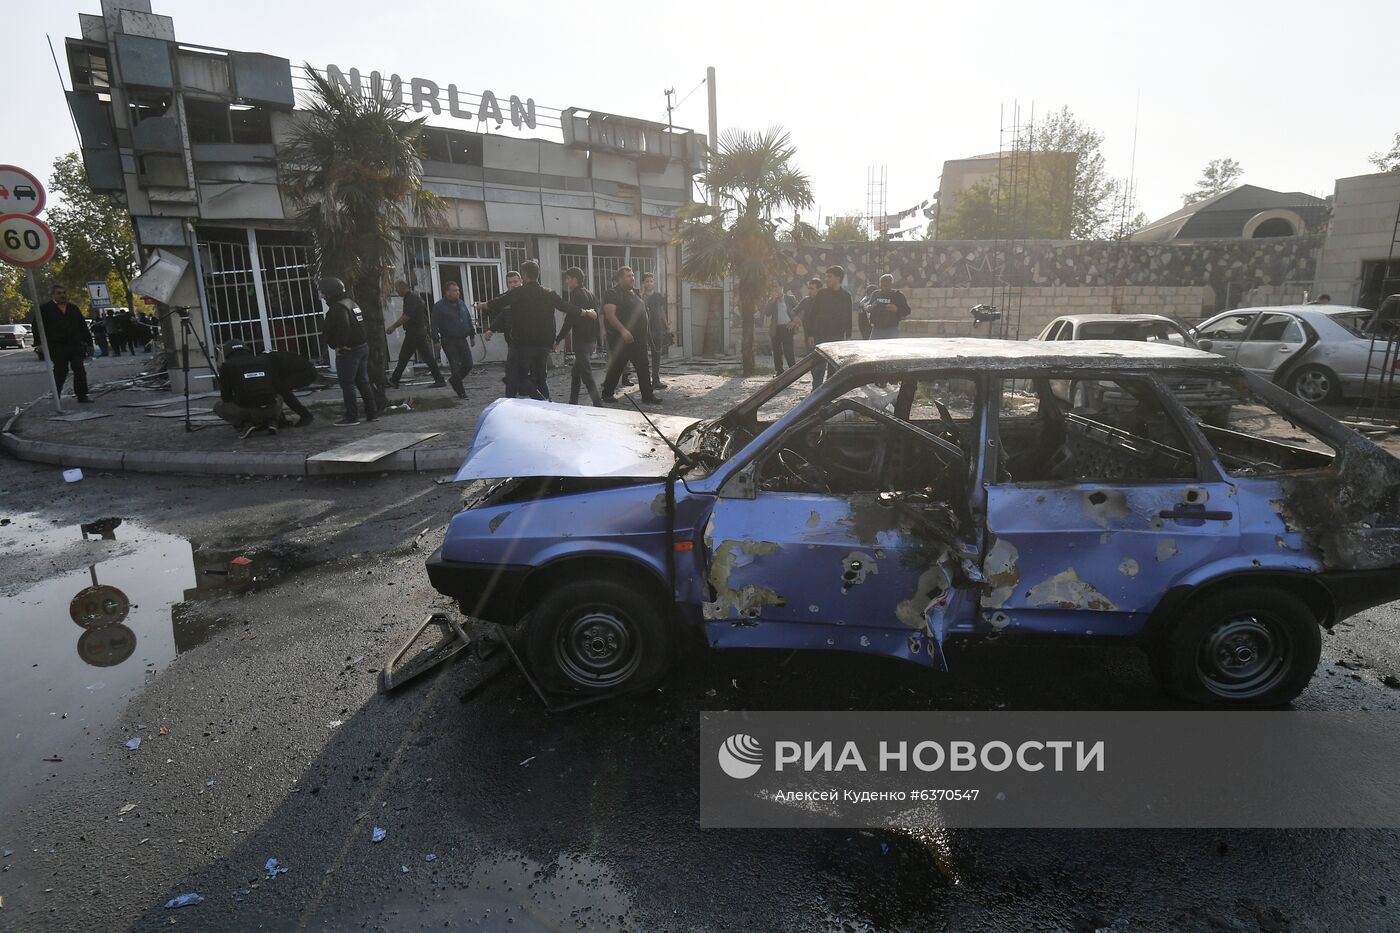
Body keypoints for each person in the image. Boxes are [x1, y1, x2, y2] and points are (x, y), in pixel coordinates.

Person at [478, 260, 592, 403]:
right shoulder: (549, 293)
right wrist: (585, 312)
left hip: (524, 344)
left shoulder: (518, 293)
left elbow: (499, 302)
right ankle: (548, 405)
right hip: (544, 344)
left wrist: (483, 305)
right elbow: (565, 306)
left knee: (519, 377)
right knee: (540, 378)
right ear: (538, 274)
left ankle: (542, 400)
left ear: (524, 276)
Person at [319, 276, 377, 426]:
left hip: (350, 351)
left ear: (331, 292)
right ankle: (372, 414)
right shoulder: (351, 303)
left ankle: (352, 417)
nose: (323, 296)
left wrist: (340, 345)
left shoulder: (339, 307)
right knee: (363, 382)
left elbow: (344, 325)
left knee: (347, 383)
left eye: (324, 293)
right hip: (362, 347)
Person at [600, 266, 662, 404]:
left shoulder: (635, 293)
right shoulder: (613, 293)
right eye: (628, 276)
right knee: (617, 367)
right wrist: (623, 331)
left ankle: (647, 396)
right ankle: (607, 394)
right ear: (620, 278)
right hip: (621, 339)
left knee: (643, 367)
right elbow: (609, 315)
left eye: (633, 275)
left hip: (639, 340)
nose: (632, 278)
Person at [30, 284, 94, 403]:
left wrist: (89, 343)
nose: (62, 295)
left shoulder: (73, 308)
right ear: (53, 295)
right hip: (56, 345)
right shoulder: (45, 309)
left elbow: (83, 326)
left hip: (75, 344)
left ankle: (82, 395)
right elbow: (36, 327)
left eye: (64, 293)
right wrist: (39, 344)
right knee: (61, 370)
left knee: (79, 369)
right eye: (59, 293)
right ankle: (56, 395)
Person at [212, 340, 282, 438]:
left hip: (247, 410)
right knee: (279, 396)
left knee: (218, 406)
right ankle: (272, 421)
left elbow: (226, 397)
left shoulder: (228, 366)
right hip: (272, 407)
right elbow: (275, 385)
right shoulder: (264, 361)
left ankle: (246, 424)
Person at [555, 266, 602, 406]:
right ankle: (573, 402)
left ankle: (598, 403)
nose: (566, 282)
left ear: (575, 279)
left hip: (581, 340)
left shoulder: (576, 294)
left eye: (568, 279)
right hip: (589, 340)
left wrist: (558, 338)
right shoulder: (589, 293)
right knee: (576, 372)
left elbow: (570, 319)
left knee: (586, 374)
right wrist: (597, 340)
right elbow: (597, 317)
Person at [386, 279, 446, 389]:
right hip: (415, 333)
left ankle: (439, 379)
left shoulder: (411, 298)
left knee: (416, 357)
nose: (396, 291)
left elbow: (407, 316)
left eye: (397, 289)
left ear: (402, 287)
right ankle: (394, 380)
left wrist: (393, 326)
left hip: (415, 333)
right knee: (407, 357)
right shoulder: (411, 298)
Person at [806, 266, 852, 389]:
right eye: (826, 276)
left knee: (833, 370)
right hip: (820, 335)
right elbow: (813, 314)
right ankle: (815, 395)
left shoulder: (846, 296)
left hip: (837, 337)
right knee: (818, 369)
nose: (826, 279)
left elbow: (848, 317)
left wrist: (848, 336)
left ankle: (828, 395)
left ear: (838, 278)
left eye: (829, 276)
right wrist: (810, 334)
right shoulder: (822, 294)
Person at [484, 270, 529, 397]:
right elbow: (502, 316)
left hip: (528, 340)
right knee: (515, 368)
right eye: (510, 282)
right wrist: (491, 329)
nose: (513, 284)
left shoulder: (529, 296)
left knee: (519, 369)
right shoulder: (506, 299)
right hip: (512, 340)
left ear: (521, 281)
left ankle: (516, 395)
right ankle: (516, 394)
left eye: (515, 281)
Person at [430, 281, 476, 399]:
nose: (458, 293)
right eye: (455, 290)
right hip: (448, 340)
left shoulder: (461, 303)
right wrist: (436, 340)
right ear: (447, 292)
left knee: (468, 364)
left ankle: (455, 380)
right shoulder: (439, 306)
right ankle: (461, 392)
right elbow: (434, 324)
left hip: (462, 339)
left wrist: (472, 335)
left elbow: (467, 319)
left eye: (458, 290)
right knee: (455, 365)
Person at [640, 272, 670, 389]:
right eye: (647, 281)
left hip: (657, 329)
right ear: (643, 283)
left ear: (654, 283)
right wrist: (642, 294)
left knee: (656, 355)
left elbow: (662, 311)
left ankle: (656, 380)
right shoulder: (640, 296)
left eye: (651, 281)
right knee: (642, 357)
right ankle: (645, 381)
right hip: (644, 329)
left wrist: (666, 325)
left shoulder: (658, 296)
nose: (649, 283)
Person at [763, 282, 800, 374]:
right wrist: (772, 300)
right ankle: (779, 371)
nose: (775, 289)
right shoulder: (771, 300)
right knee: (777, 351)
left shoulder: (790, 298)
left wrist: (794, 322)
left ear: (782, 287)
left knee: (788, 350)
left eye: (777, 287)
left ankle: (793, 371)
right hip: (776, 329)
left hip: (787, 327)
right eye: (773, 287)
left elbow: (798, 310)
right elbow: (767, 313)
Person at [867, 274, 911, 339]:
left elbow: (907, 311)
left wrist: (897, 309)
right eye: (882, 286)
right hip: (877, 329)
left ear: (891, 285)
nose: (884, 288)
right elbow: (868, 306)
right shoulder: (875, 294)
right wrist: (870, 307)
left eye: (886, 286)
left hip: (892, 329)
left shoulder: (898, 295)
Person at [792, 278, 821, 358]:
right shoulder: (806, 300)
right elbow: (793, 311)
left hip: (822, 335)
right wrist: (795, 318)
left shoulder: (824, 301)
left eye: (812, 289)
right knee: (811, 359)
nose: (810, 291)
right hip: (808, 334)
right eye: (809, 288)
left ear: (819, 290)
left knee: (821, 360)